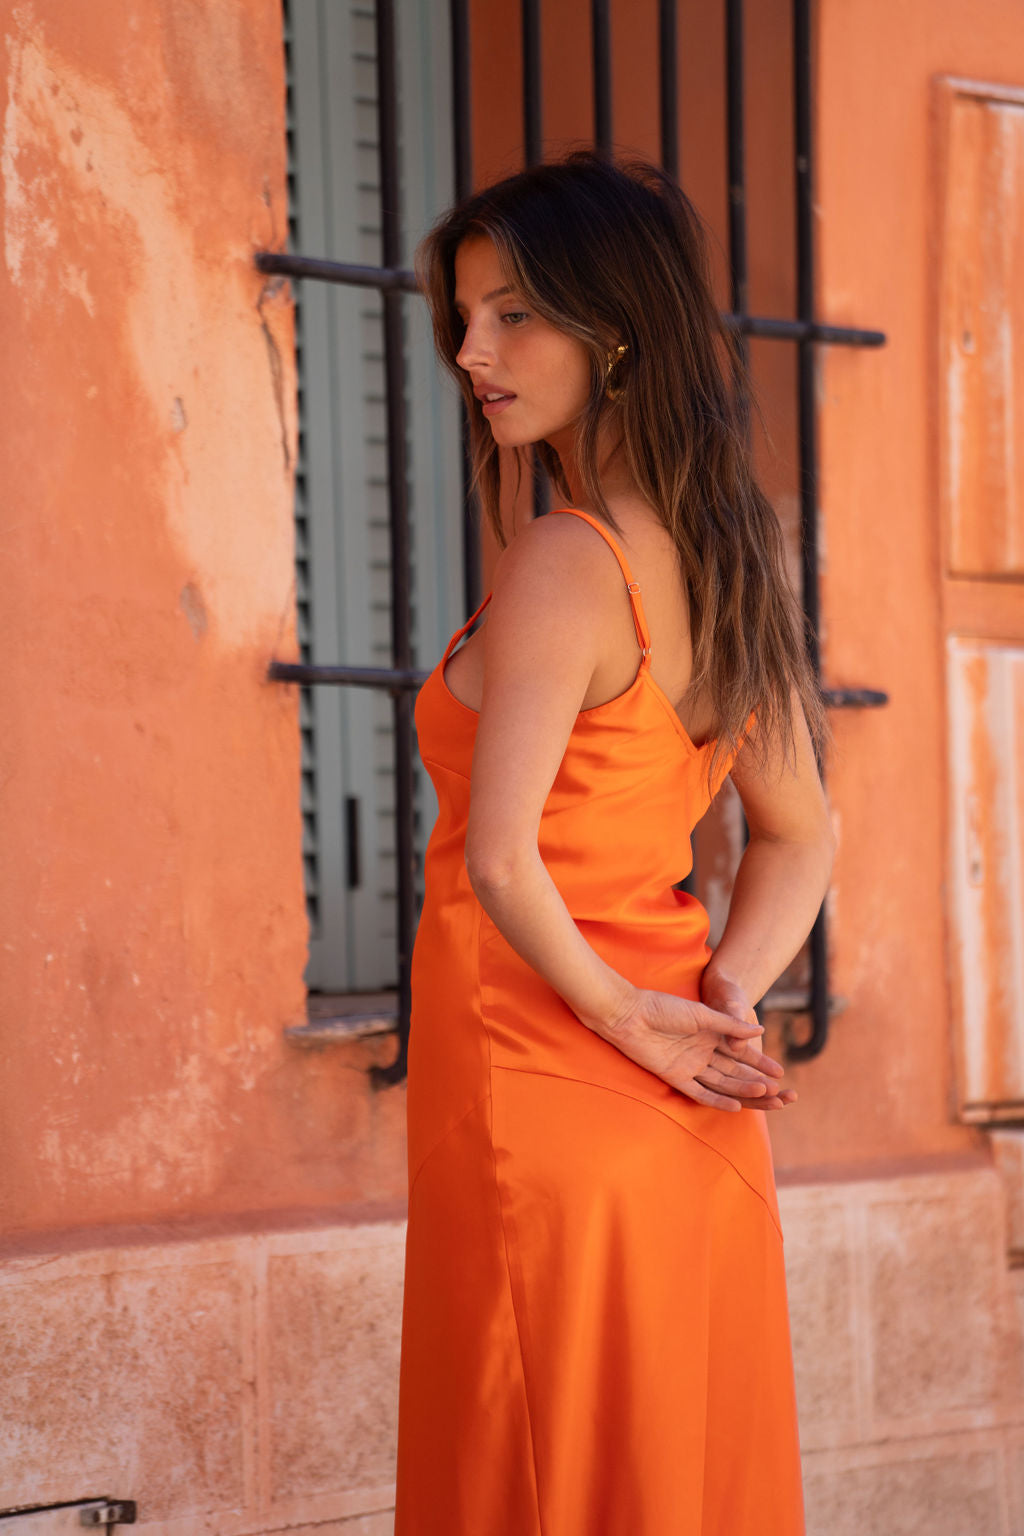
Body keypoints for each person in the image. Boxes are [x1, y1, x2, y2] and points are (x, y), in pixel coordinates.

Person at [394, 151, 834, 1536]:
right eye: (466, 317)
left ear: (616, 328)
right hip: (684, 1108)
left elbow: (501, 861)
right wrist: (722, 995)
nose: (471, 352)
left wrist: (628, 1018)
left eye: (514, 314)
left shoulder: (565, 560)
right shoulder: (730, 555)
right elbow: (802, 835)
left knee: (532, 1479)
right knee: (676, 1482)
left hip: (544, 1087)